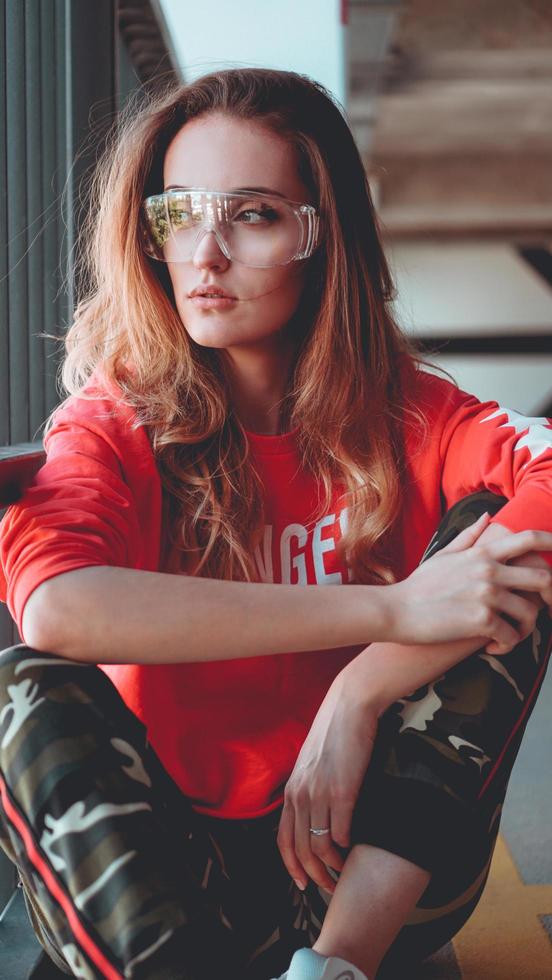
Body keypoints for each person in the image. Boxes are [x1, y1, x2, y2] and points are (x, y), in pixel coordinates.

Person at [0, 67, 551, 980]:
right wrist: (393, 613)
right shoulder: (110, 423)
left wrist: (361, 690)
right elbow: (56, 609)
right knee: (19, 689)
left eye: (252, 214)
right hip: (166, 885)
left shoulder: (411, 416)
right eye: (179, 213)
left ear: (321, 239)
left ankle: (335, 970)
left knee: (506, 550)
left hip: (361, 867)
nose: (205, 255)